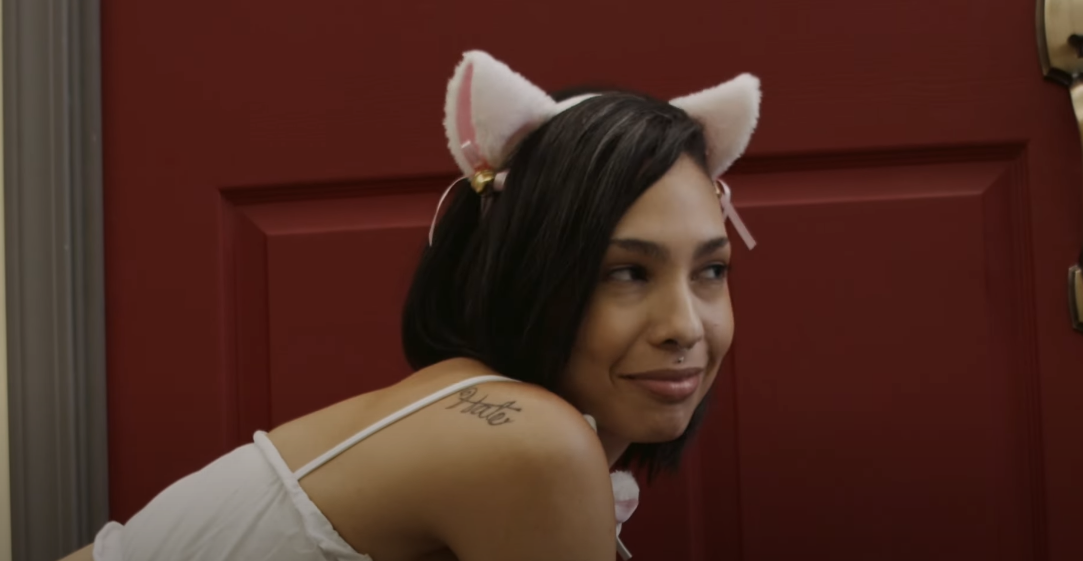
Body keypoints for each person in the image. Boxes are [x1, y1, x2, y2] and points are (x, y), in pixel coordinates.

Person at [59, 50, 761, 561]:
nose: (683, 326)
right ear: (524, 274)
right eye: (626, 273)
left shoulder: (489, 417)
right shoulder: (531, 443)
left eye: (711, 269)